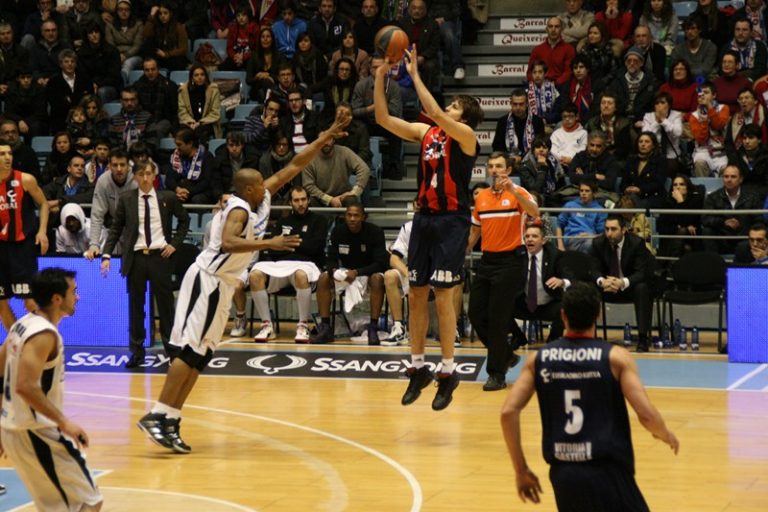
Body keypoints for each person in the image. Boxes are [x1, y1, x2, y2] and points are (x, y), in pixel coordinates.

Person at [136, 113, 348, 453]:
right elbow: (232, 243)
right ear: (249, 188)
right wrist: (270, 245)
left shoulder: (258, 199)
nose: (268, 185)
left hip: (224, 284)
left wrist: (324, 137)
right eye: (262, 183)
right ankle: (157, 414)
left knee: (201, 356)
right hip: (207, 280)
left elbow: (293, 165)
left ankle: (171, 418)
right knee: (188, 350)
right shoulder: (238, 209)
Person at [500, 282, 679, 511]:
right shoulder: (615, 358)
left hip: (564, 474)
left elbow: (508, 412)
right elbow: (645, 414)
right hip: (607, 470)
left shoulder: (539, 359)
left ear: (562, 315)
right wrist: (664, 433)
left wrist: (521, 470)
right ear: (598, 314)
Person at [374, 45, 484, 411]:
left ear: (463, 116)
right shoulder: (427, 135)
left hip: (452, 221)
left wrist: (415, 75)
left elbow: (435, 110)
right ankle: (418, 367)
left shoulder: (467, 137)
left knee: (442, 293)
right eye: (449, 106)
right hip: (424, 219)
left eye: (454, 106)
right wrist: (379, 80)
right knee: (416, 292)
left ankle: (449, 371)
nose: (446, 109)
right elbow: (384, 120)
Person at [0, 268, 103, 511]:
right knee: (89, 501)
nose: (77, 297)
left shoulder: (21, 325)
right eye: (73, 292)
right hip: (36, 432)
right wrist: (65, 423)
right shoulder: (43, 334)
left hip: (18, 429)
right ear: (57, 299)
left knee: (59, 506)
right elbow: (24, 385)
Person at [101, 162, 190, 368]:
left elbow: (184, 221)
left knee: (166, 306)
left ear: (154, 175)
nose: (145, 178)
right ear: (135, 177)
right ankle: (137, 351)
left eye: (148, 173)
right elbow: (115, 229)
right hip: (137, 258)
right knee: (136, 307)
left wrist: (174, 244)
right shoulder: (127, 199)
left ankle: (172, 350)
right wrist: (106, 254)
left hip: (161, 257)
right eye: (140, 174)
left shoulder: (167, 197)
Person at [467, 151, 540, 392]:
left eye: (499, 166)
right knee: (476, 313)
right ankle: (506, 354)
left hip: (511, 261)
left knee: (498, 319)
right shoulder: (482, 197)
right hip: (487, 261)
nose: (495, 170)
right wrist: (462, 252)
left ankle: (496, 373)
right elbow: (475, 231)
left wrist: (514, 192)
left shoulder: (518, 193)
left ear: (508, 170)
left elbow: (535, 211)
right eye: (491, 166)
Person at [233, 185, 327, 342]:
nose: (300, 203)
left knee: (300, 274)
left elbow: (315, 248)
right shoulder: (283, 221)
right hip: (280, 265)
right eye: (296, 200)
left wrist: (287, 244)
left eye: (303, 199)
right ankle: (267, 326)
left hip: (307, 265)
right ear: (290, 202)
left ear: (308, 200)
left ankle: (303, 325)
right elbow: (273, 249)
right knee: (255, 274)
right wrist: (297, 244)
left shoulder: (319, 221)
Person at [309, 202, 387, 345]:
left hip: (367, 273)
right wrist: (336, 272)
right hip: (345, 274)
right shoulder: (337, 231)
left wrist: (357, 272)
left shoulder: (375, 232)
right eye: (349, 215)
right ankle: (325, 327)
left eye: (356, 215)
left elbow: (381, 263)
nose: (352, 219)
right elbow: (330, 259)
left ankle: (373, 327)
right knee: (324, 277)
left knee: (377, 279)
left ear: (363, 217)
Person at [0, 143, 50, 331]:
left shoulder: (25, 179)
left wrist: (42, 231)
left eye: (10, 153)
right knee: (1, 303)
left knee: (30, 301)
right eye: (2, 154)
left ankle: (42, 341)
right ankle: (18, 343)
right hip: (1, 248)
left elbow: (44, 204)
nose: (7, 157)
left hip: (23, 247)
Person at [589, 214, 655, 352]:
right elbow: (593, 270)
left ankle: (643, 338)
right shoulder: (598, 243)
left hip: (628, 286)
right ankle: (589, 337)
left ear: (624, 230)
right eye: (606, 229)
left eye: (613, 229)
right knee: (589, 288)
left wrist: (622, 282)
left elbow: (641, 273)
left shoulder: (636, 243)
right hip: (607, 286)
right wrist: (602, 281)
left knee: (642, 288)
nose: (609, 233)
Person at [84, 148, 138, 260]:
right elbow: (97, 215)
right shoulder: (103, 181)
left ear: (129, 166)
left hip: (134, 226)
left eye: (122, 165)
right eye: (115, 165)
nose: (119, 169)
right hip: (112, 226)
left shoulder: (137, 180)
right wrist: (94, 244)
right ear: (109, 166)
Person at [492, 88, 545, 166]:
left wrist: (522, 158)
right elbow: (497, 147)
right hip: (508, 162)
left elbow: (540, 146)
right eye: (515, 104)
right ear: (511, 103)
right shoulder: (502, 122)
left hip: (532, 162)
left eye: (521, 104)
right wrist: (510, 158)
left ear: (527, 104)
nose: (518, 107)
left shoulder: (537, 121)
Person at [556, 178, 607, 253]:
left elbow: (602, 233)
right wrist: (560, 246)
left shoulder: (599, 210)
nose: (583, 193)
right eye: (581, 190)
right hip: (572, 239)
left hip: (590, 239)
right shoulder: (570, 205)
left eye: (587, 191)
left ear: (594, 193)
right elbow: (559, 225)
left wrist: (591, 235)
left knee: (592, 244)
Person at [527, 16, 575, 87]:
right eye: (550, 26)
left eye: (557, 27)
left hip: (561, 87)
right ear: (546, 29)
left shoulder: (569, 49)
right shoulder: (537, 50)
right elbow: (529, 73)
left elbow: (568, 72)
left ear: (561, 29)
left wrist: (554, 85)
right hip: (539, 86)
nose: (553, 29)